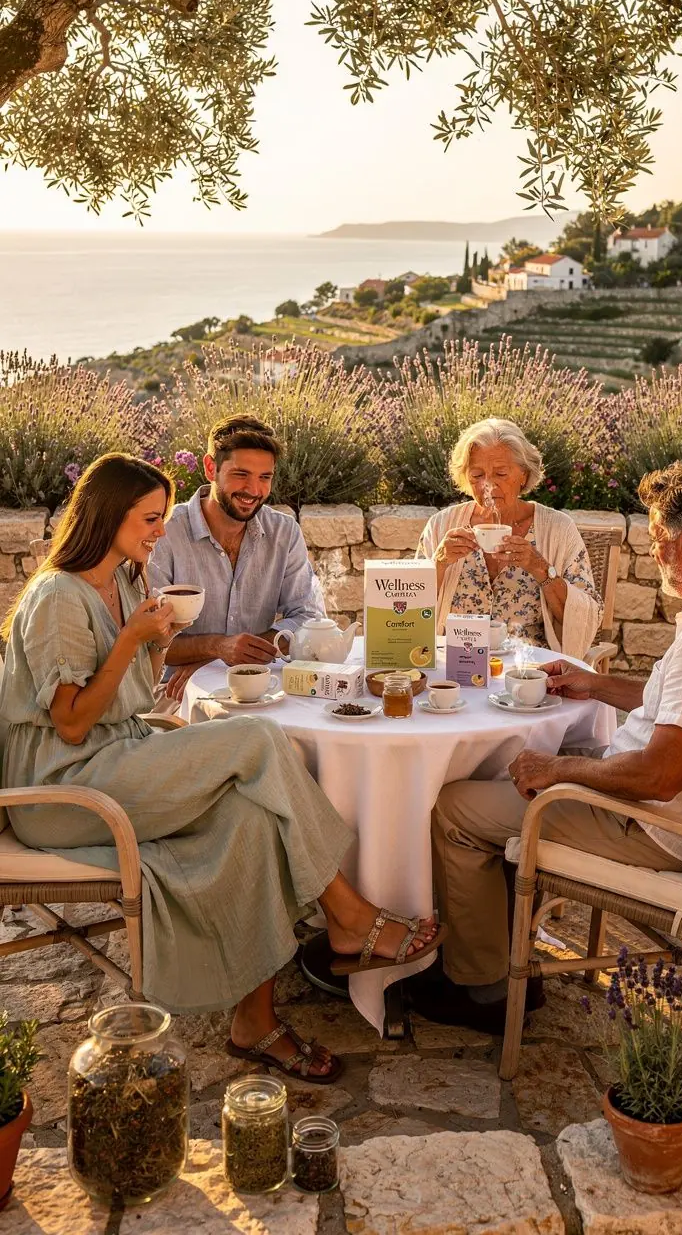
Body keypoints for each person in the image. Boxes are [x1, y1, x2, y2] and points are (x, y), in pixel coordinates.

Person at [0, 454, 443, 1081]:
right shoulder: (57, 597)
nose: (161, 531)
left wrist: (156, 644)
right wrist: (131, 640)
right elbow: (71, 722)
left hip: (117, 758)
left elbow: (134, 693)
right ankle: (348, 914)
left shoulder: (125, 581)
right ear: (107, 516)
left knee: (254, 817)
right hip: (63, 787)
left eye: (162, 517)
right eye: (149, 519)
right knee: (258, 737)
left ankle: (254, 1021)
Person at [416, 462, 682, 1032]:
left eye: (658, 538)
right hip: (673, 809)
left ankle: (481, 988)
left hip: (655, 827)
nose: (652, 551)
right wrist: (595, 685)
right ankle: (505, 948)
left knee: (455, 810)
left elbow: (660, 777)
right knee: (502, 779)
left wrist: (560, 768)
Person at [147, 414, 325, 708]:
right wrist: (217, 649)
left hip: (260, 689)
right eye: (241, 474)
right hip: (178, 694)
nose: (253, 490)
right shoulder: (164, 533)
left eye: (265, 477)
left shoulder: (284, 532)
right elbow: (146, 640)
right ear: (210, 468)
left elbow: (309, 617)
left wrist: (223, 659)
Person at [415, 418, 602, 658]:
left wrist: (540, 568)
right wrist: (439, 564)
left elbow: (585, 615)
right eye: (477, 475)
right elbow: (410, 610)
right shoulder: (441, 525)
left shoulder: (558, 529)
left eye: (501, 473)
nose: (488, 485)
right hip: (457, 661)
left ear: (523, 474)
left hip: (529, 666)